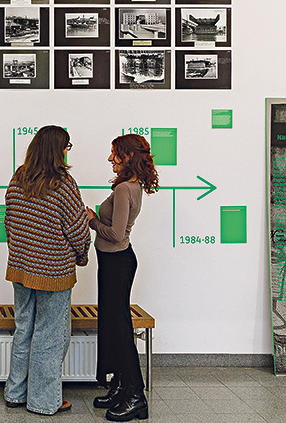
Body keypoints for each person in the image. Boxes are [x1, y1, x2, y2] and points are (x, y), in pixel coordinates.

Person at [3, 125, 91, 415]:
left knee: (24, 329)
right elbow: (78, 229)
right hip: (53, 271)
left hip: (20, 268)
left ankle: (15, 393)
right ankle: (43, 400)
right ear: (58, 150)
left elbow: (9, 222)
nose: (68, 152)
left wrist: (19, 253)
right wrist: (82, 255)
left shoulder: (18, 178)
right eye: (67, 147)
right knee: (50, 336)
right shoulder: (63, 183)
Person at [86, 133, 158, 422]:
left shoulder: (124, 190)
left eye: (114, 153)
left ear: (127, 156)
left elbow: (116, 234)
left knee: (120, 327)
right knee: (113, 325)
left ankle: (136, 396)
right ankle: (121, 385)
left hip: (117, 262)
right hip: (114, 262)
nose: (109, 158)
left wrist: (91, 220)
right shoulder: (130, 186)